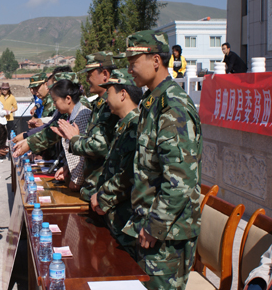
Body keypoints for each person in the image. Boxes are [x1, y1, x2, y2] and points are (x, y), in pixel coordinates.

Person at [120, 30, 203, 290]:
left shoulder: (172, 106)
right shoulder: (152, 101)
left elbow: (180, 180)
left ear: (156, 60)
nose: (129, 68)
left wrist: (154, 226)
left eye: (134, 61)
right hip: (150, 226)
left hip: (166, 233)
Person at [87, 69, 142, 257]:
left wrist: (102, 196)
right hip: (113, 215)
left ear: (123, 94)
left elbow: (128, 175)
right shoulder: (123, 125)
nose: (105, 99)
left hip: (125, 219)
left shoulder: (135, 127)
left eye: (109, 93)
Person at [50, 52, 119, 202]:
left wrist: (74, 139)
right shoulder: (99, 105)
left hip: (100, 191)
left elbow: (100, 147)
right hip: (92, 187)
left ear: (105, 74)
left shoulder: (110, 107)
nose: (87, 80)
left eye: (90, 74)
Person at [48, 79, 91, 191]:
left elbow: (83, 155)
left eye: (55, 100)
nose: (54, 105)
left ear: (68, 99)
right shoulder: (71, 116)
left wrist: (77, 180)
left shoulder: (83, 115)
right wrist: (67, 167)